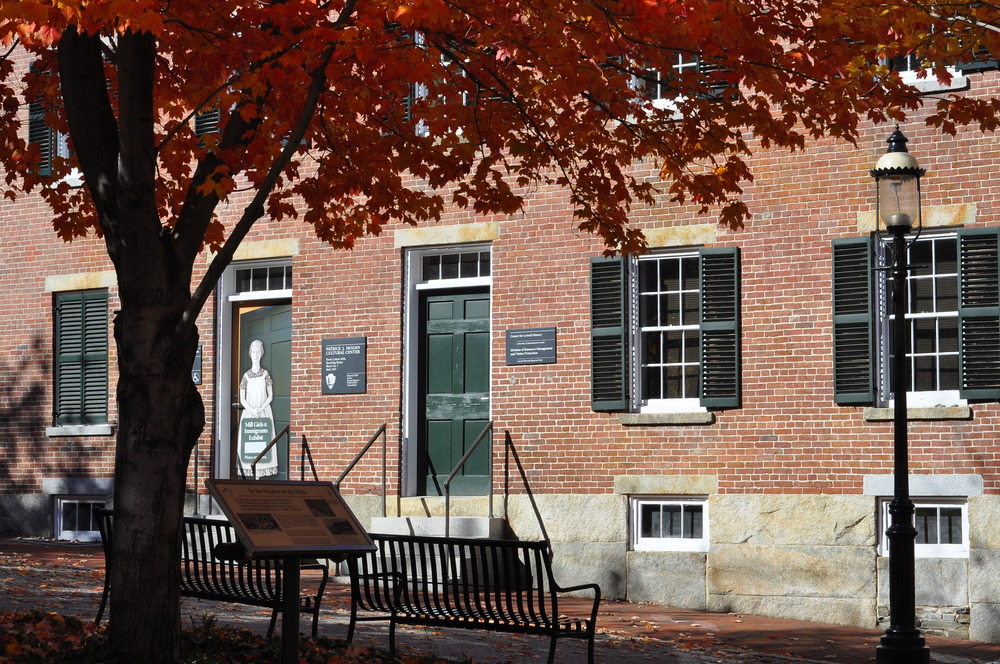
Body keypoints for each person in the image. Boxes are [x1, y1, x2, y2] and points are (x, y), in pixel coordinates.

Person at [239, 339, 278, 477]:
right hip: (250, 413)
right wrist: (252, 410)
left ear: (261, 354)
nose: (256, 354)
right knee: (250, 443)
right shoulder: (246, 376)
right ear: (250, 354)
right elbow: (242, 399)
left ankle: (261, 472)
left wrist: (261, 408)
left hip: (263, 412)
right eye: (253, 351)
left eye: (258, 352)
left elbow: (270, 395)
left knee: (263, 441)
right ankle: (251, 471)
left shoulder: (265, 374)